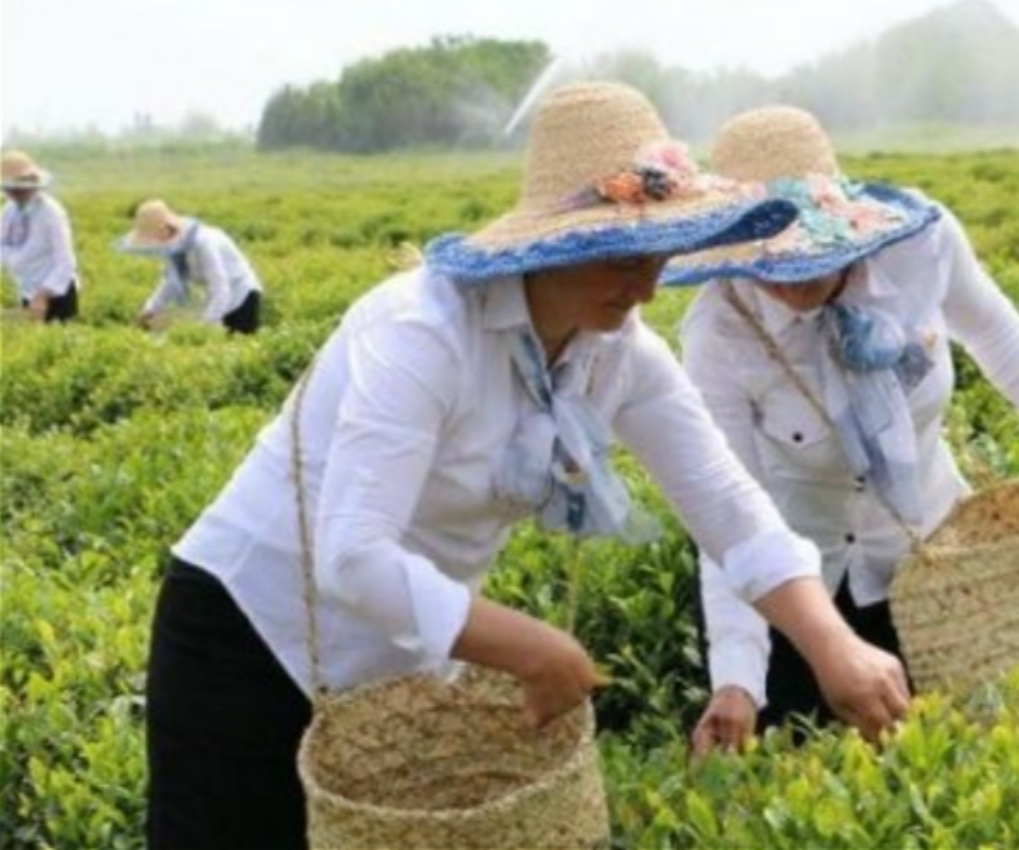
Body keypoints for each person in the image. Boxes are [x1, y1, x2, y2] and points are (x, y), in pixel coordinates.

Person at [144, 82, 912, 850]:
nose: (646, 285)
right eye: (620, 255)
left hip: (397, 660)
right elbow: (352, 553)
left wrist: (831, 644)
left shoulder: (619, 352)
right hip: (245, 632)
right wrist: (534, 648)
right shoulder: (422, 330)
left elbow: (729, 507)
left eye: (661, 253)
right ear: (550, 245)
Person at [666, 106, 1019, 755]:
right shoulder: (720, 333)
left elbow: (996, 332)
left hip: (932, 564)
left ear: (843, 223)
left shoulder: (921, 246)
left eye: (807, 252)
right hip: (799, 593)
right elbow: (728, 517)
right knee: (814, 766)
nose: (788, 279)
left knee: (965, 757)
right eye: (763, 261)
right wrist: (737, 682)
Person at [116, 198, 264, 334]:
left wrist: (205, 326)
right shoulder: (172, 248)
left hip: (242, 295)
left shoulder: (203, 243)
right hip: (217, 297)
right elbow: (169, 283)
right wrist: (149, 309)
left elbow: (220, 287)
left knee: (236, 343)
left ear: (168, 228)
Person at [0, 150, 80, 323]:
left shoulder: (51, 213)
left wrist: (43, 295)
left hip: (57, 293)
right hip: (27, 288)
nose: (15, 193)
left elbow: (65, 263)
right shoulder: (9, 211)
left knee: (57, 342)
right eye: (10, 188)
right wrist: (13, 258)